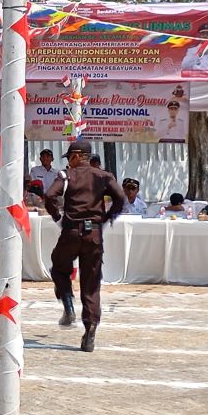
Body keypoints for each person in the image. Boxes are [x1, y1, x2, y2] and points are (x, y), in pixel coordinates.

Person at [45, 140, 125, 352]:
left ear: (76, 156)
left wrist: (57, 217)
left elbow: (49, 196)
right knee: (91, 283)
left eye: (70, 157)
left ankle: (68, 302)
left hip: (71, 231)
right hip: (94, 234)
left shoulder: (66, 175)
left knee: (58, 266)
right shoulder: (104, 176)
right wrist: (107, 217)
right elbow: (121, 198)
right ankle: (90, 328)